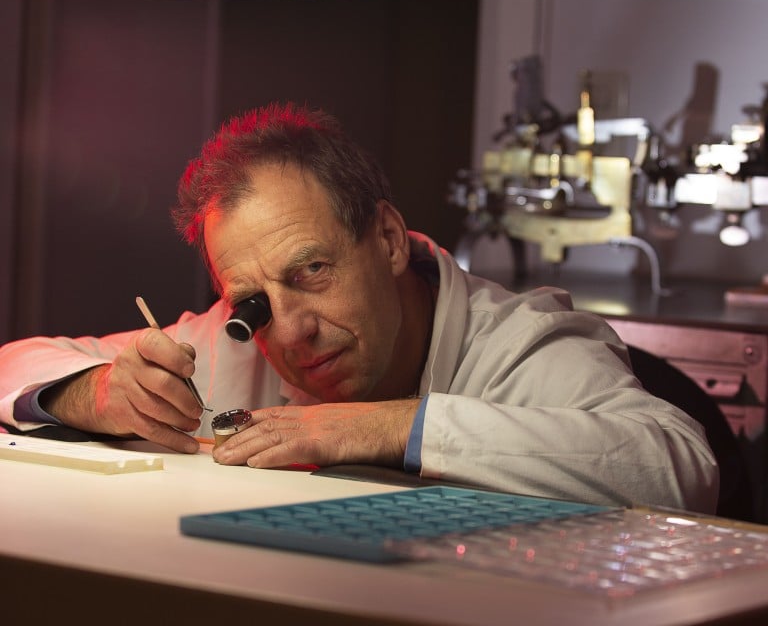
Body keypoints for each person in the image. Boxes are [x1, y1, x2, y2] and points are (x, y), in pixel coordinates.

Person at [0, 102, 718, 512]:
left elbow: (680, 468)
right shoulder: (235, 338)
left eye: (312, 271)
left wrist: (377, 428)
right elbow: (15, 363)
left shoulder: (521, 341)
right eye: (252, 298)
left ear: (387, 238)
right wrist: (96, 395)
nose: (294, 329)